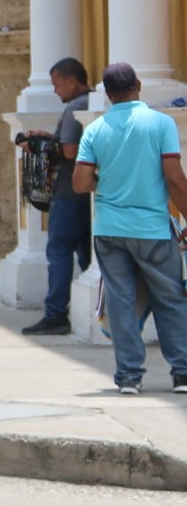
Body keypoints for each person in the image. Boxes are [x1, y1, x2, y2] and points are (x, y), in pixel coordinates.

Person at [73, 62, 187, 394]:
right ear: (138, 84)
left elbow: (80, 183)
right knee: (170, 299)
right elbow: (175, 179)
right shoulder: (160, 123)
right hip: (152, 229)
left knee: (121, 302)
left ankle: (129, 377)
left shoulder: (95, 129)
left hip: (109, 230)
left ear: (107, 94)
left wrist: (107, 180)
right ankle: (182, 373)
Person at [20, 58, 94, 335]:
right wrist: (50, 138)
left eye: (57, 84)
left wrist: (40, 146)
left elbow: (71, 151)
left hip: (68, 193)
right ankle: (96, 307)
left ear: (72, 81)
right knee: (87, 254)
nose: (55, 90)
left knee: (59, 250)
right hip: (86, 195)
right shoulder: (90, 104)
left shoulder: (76, 106)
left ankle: (56, 314)